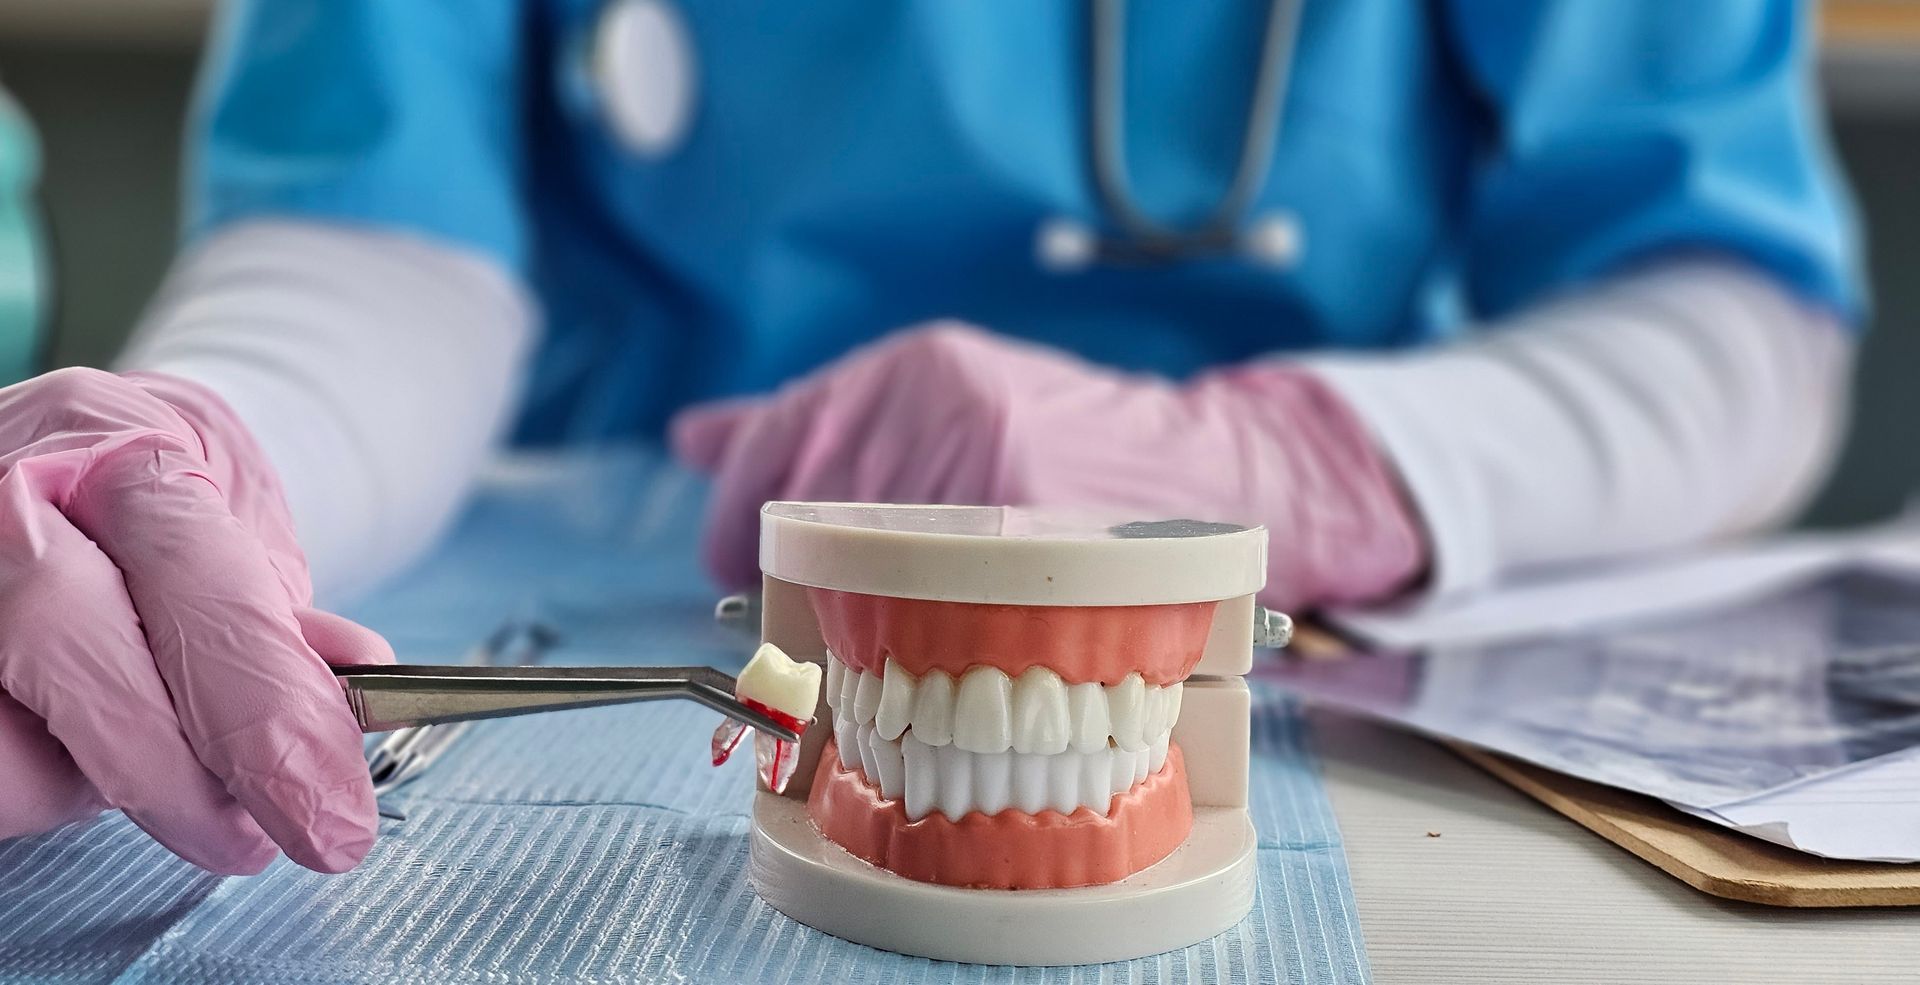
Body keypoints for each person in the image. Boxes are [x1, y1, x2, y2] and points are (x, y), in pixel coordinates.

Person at [0, 1, 1862, 875]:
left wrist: (1294, 465)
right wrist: (203, 453)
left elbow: (1727, 313)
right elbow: (378, 229)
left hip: (1292, 658)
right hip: (610, 578)